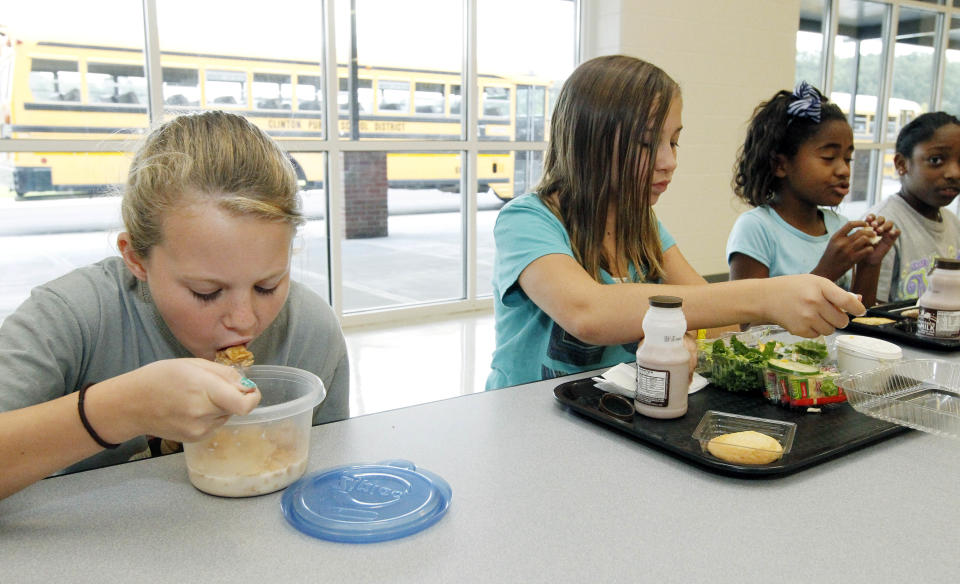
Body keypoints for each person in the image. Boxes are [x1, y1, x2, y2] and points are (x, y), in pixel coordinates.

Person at [0, 111, 349, 500]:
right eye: (205, 292)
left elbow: (329, 476)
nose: (244, 320)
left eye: (268, 285)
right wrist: (118, 410)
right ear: (135, 258)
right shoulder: (70, 317)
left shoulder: (310, 331)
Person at [486, 56, 866, 390]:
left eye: (674, 143)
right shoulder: (527, 220)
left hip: (609, 418)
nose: (669, 161)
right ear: (590, 142)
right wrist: (765, 296)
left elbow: (719, 325)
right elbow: (589, 313)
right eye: (648, 144)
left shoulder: (643, 224)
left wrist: (685, 335)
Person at [726, 81, 899, 308]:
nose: (844, 170)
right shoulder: (757, 229)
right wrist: (827, 270)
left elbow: (858, 319)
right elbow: (748, 324)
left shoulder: (840, 227)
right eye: (828, 157)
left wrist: (869, 264)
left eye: (848, 159)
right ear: (780, 165)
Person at [865, 112, 960, 303]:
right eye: (936, 160)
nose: (954, 173)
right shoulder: (882, 226)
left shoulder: (953, 223)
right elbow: (868, 309)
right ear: (901, 164)